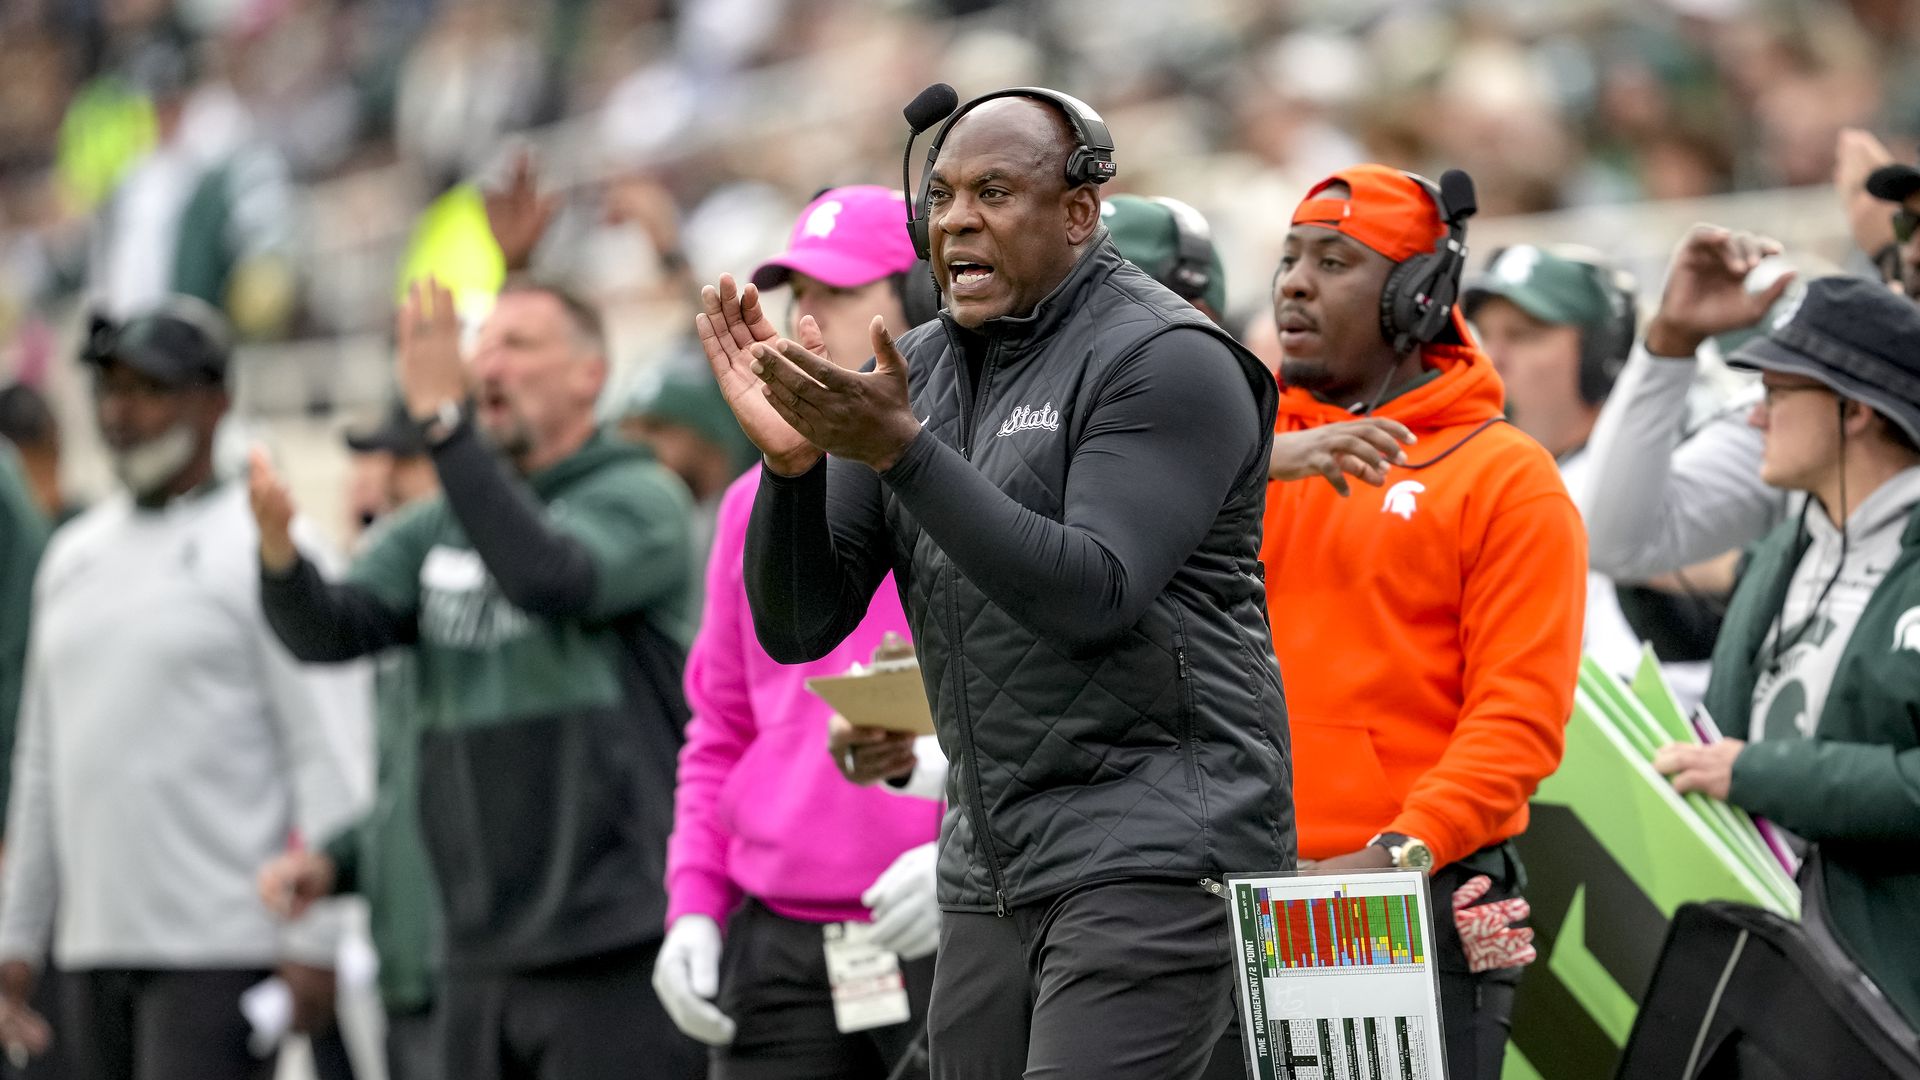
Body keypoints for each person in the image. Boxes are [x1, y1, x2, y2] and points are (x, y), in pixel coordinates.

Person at [698, 89, 1290, 1080]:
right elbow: (802, 622)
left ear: (1078, 214)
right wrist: (792, 471)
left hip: (1155, 848)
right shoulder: (916, 372)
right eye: (941, 197)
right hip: (990, 862)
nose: (957, 218)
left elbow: (1093, 590)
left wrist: (902, 453)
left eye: (995, 191)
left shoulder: (1168, 359)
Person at [250, 278, 703, 1080]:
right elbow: (333, 629)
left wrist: (445, 428)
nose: (487, 363)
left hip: (612, 938)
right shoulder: (436, 525)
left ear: (588, 375)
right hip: (474, 949)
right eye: (481, 345)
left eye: (519, 346)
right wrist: (281, 557)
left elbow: (550, 576)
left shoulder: (640, 497)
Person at [1260, 165, 1587, 1080]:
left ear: (1418, 297)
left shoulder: (1507, 478)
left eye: (1334, 260)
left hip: (1409, 896)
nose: (1293, 281)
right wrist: (1253, 461)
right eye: (1288, 258)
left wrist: (1398, 853)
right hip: (1234, 892)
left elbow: (1518, 721)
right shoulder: (1239, 456)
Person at [0, 297, 369, 1080]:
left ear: (216, 400)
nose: (122, 413)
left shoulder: (266, 540)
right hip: (91, 947)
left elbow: (326, 742)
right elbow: (42, 762)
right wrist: (17, 937)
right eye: (110, 391)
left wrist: (314, 939)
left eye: (149, 389)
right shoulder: (74, 557)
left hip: (221, 945)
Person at [653, 184, 944, 1079]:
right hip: (779, 939)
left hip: (946, 921)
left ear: (917, 303)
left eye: (840, 293)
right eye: (798, 297)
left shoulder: (971, 477)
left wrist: (964, 853)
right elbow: (721, 728)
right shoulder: (753, 503)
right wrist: (695, 904)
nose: (808, 318)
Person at [1653, 276, 1920, 1027]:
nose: (1757, 416)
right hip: (1770, 971)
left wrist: (1759, 773)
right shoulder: (1783, 550)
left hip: (1891, 992)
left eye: (1776, 391)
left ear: (1856, 408)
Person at [257, 404, 442, 1080]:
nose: (378, 484)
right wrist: (336, 862)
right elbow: (401, 794)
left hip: (467, 966)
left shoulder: (481, 605)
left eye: (401, 464)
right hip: (405, 961)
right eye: (369, 464)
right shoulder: (383, 601)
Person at [1581, 225, 1797, 583]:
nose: (1760, 414)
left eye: (1524, 335)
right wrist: (1671, 342)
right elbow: (1612, 545)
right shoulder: (1765, 427)